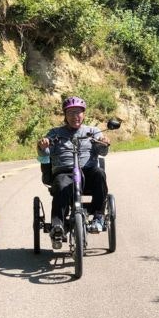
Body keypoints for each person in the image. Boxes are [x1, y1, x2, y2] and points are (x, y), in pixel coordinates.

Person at [37, 96, 110, 249]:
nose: (74, 116)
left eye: (78, 112)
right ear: (65, 115)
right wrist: (43, 147)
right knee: (62, 185)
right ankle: (58, 227)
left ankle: (98, 217)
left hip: (87, 172)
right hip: (65, 173)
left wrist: (104, 143)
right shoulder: (55, 133)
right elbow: (45, 155)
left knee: (99, 174)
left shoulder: (93, 131)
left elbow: (102, 151)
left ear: (83, 114)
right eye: (70, 113)